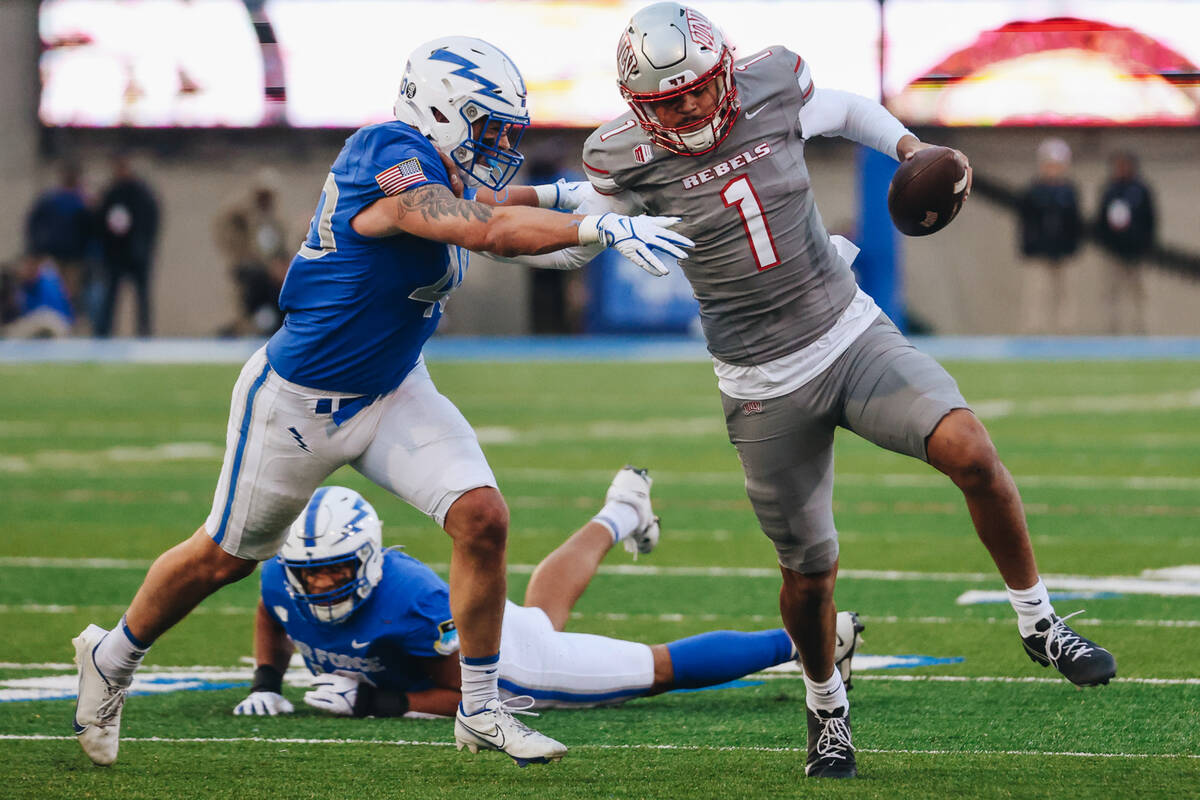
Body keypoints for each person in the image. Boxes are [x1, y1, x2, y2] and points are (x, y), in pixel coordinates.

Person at [70, 35, 692, 769]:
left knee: (482, 518)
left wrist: (584, 202)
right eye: (486, 125)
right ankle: (111, 658)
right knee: (223, 559)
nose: (497, 143)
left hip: (392, 386)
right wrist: (599, 223)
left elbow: (498, 207)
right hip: (301, 403)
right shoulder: (384, 153)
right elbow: (485, 227)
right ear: (438, 111)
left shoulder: (433, 168)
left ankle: (482, 709)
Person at [572, 2, 1116, 779]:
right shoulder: (622, 157)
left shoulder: (770, 83)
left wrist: (909, 147)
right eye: (668, 101)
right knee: (809, 572)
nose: (690, 107)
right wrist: (571, 233)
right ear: (640, 107)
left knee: (970, 448)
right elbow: (576, 233)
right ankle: (826, 708)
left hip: (848, 333)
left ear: (722, 70)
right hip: (762, 382)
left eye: (697, 89)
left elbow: (850, 110)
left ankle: (1040, 623)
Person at [231, 474, 864, 732]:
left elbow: (472, 695)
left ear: (366, 561)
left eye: (332, 573)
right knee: (539, 609)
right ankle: (622, 510)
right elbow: (272, 608)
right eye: (307, 575)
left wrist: (381, 702)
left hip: (509, 665)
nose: (316, 588)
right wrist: (267, 678)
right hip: (491, 627)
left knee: (652, 671)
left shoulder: (413, 605)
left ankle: (818, 637)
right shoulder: (282, 581)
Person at [212, 168, 291, 337]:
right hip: (253, 272)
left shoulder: (276, 223)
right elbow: (232, 239)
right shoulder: (243, 217)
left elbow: (281, 250)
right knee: (252, 300)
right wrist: (269, 268)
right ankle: (242, 329)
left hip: (272, 277)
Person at [1017, 138, 1083, 334]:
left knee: (1066, 294)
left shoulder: (1069, 191)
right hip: (1038, 251)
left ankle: (1066, 330)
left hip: (1063, 251)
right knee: (1036, 292)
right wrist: (1029, 246)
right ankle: (1034, 329)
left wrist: (1072, 246)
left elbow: (1075, 222)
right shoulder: (1034, 191)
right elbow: (1026, 222)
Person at [94, 153, 160, 337]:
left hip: (138, 255)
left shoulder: (143, 194)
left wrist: (143, 247)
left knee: (142, 295)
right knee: (111, 295)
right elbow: (101, 222)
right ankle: (104, 333)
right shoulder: (111, 193)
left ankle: (144, 332)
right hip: (116, 255)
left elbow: (151, 223)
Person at [24, 162, 94, 331]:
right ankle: (54, 327)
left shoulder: (81, 203)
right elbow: (34, 222)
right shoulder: (52, 200)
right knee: (55, 293)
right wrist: (36, 249)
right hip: (54, 255)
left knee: (70, 295)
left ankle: (68, 328)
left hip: (73, 257)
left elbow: (91, 230)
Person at [1095, 151, 1156, 334]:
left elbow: (1150, 219)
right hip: (1114, 251)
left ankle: (1143, 328)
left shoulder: (1141, 190)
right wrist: (1108, 244)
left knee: (1140, 292)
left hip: (1137, 250)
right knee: (1111, 292)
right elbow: (1101, 221)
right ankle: (1112, 330)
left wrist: (1145, 244)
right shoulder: (1109, 191)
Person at [1, 252, 75, 338]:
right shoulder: (23, 287)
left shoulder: (48, 282)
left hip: (56, 322)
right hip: (37, 325)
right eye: (24, 266)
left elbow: (47, 313)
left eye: (30, 265)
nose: (25, 269)